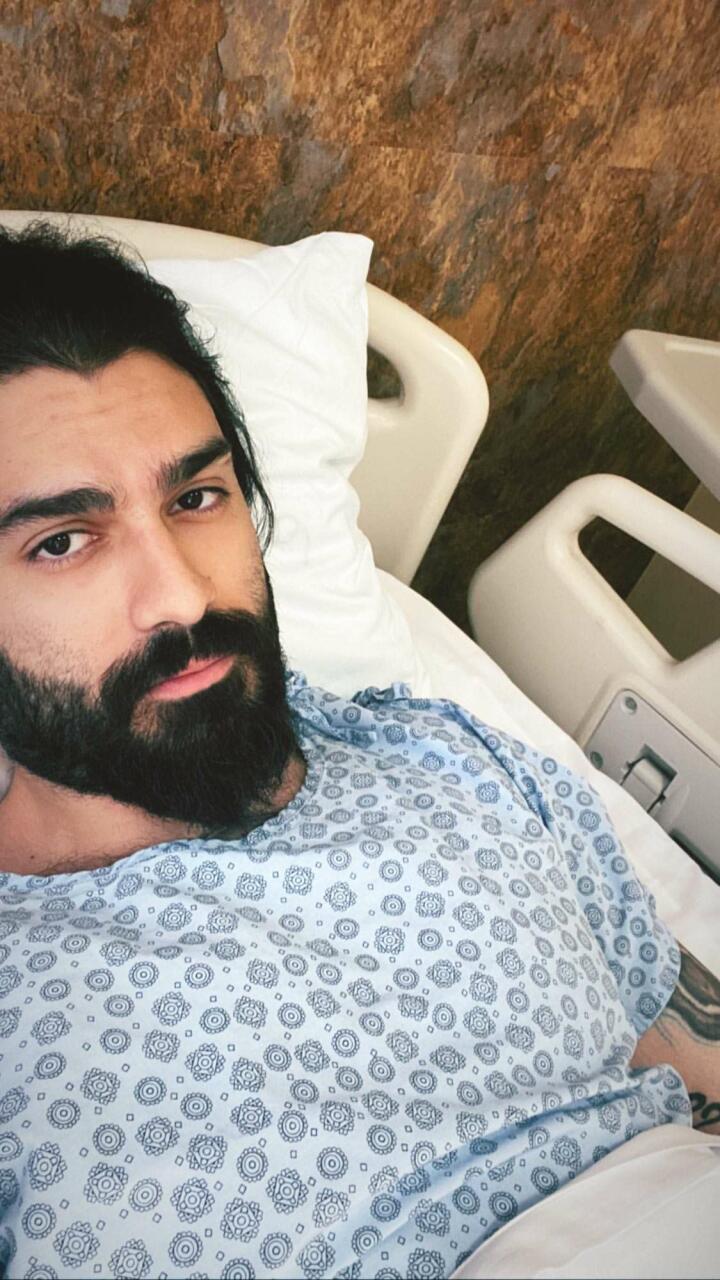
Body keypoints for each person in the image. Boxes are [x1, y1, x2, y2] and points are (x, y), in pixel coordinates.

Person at [0, 222, 716, 1280]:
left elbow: (683, 1064)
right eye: (61, 541)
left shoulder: (447, 756)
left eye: (197, 497)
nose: (183, 596)